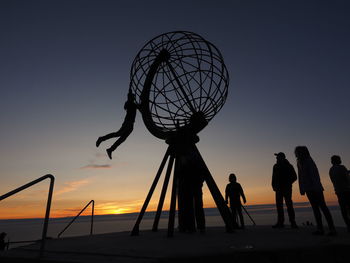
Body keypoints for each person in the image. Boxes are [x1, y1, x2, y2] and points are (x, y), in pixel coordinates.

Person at [295, 146, 336, 236]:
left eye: (297, 152)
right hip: (308, 189)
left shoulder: (309, 161)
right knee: (315, 209)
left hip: (316, 188)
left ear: (303, 152)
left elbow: (315, 175)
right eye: (296, 152)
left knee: (323, 207)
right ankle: (320, 229)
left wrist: (316, 188)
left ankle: (332, 229)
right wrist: (302, 189)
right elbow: (300, 177)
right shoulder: (299, 162)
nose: (296, 154)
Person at [96, 90, 137, 159]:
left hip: (131, 125)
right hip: (127, 122)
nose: (134, 98)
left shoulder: (134, 104)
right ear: (130, 98)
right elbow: (126, 105)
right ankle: (101, 139)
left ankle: (110, 149)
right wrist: (130, 93)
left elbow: (141, 107)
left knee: (122, 139)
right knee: (118, 134)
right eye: (133, 97)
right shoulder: (129, 103)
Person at [271, 152, 298, 229]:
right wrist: (273, 186)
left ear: (282, 157)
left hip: (287, 189)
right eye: (276, 157)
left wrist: (288, 183)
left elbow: (294, 177)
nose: (276, 158)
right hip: (278, 189)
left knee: (289, 205)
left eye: (278, 157)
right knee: (279, 206)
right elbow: (273, 177)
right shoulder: (275, 166)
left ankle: (293, 222)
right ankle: (280, 222)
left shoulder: (289, 166)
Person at [329, 155, 350, 232]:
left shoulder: (331, 170)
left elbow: (333, 180)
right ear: (338, 160)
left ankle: (348, 225)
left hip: (338, 191)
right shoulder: (342, 167)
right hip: (347, 190)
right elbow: (347, 179)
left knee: (343, 209)